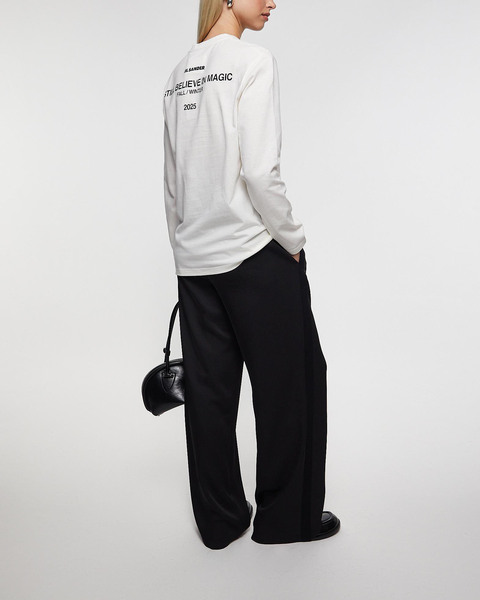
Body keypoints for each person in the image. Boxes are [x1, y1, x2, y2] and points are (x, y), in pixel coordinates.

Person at [162, 0, 341, 549]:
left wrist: (184, 250)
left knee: (210, 396)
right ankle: (286, 521)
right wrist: (293, 241)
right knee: (292, 385)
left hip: (196, 258)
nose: (271, 2)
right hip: (253, 252)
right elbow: (261, 172)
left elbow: (172, 182)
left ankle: (220, 521)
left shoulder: (177, 75)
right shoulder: (252, 61)